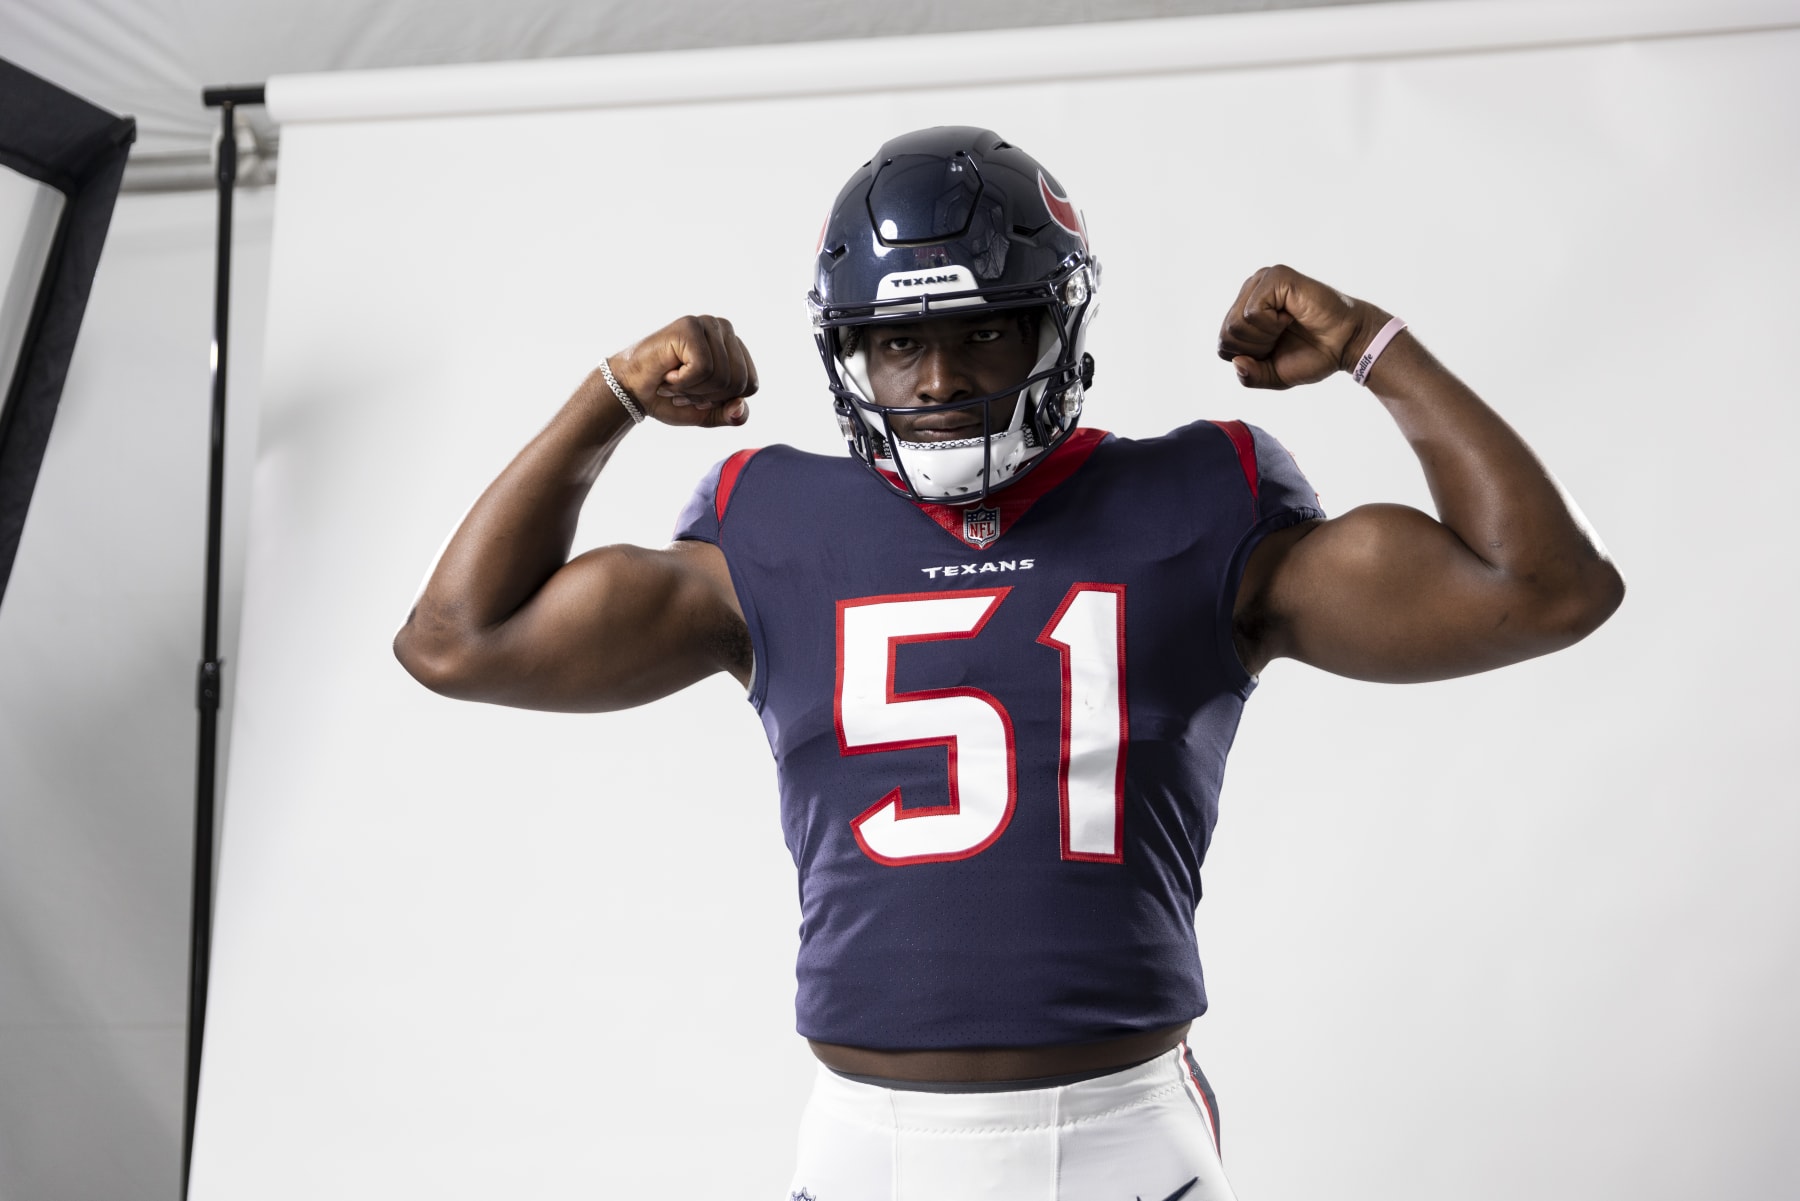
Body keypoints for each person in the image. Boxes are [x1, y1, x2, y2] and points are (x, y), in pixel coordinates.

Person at [393, 127, 1623, 1200]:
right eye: (897, 341)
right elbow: (455, 640)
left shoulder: (1201, 500)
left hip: (1120, 1137)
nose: (939, 378)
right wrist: (607, 393)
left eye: (984, 329)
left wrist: (1374, 344)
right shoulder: (769, 527)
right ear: (846, 355)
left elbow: (1546, 589)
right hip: (866, 1144)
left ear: (1056, 325)